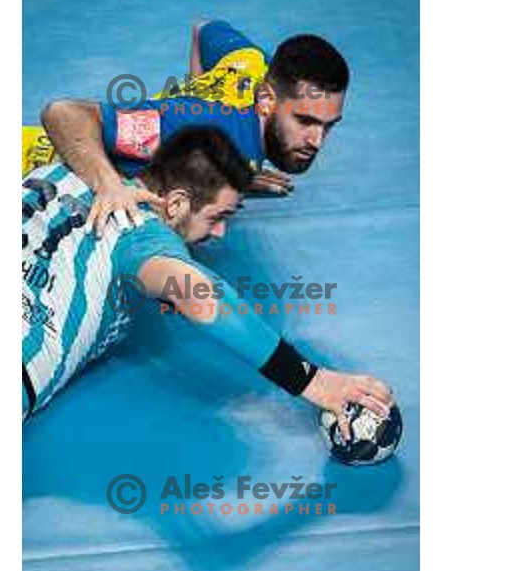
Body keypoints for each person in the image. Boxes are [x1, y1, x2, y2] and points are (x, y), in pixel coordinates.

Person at [22, 126, 392, 436]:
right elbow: (201, 297)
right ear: (177, 203)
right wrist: (315, 381)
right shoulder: (142, 234)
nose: (220, 231)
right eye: (218, 215)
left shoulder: (58, 168)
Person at [41, 21, 350, 237]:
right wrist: (108, 184)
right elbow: (64, 114)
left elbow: (204, 29)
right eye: (305, 121)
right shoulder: (192, 128)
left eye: (328, 126)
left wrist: (218, 170)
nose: (317, 141)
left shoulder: (253, 63)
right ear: (267, 101)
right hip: (38, 172)